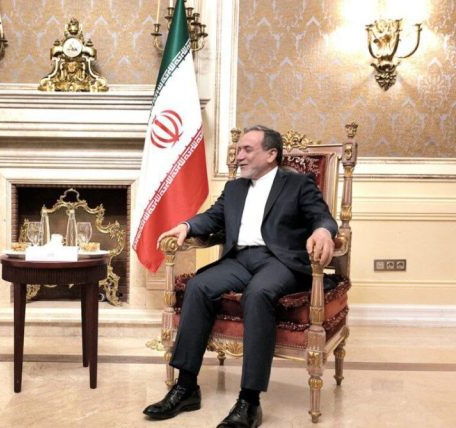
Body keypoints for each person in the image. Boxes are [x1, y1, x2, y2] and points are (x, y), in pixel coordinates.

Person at [142, 126, 337, 427]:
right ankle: (186, 387)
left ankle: (249, 401)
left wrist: (323, 231)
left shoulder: (298, 184)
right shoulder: (234, 188)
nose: (238, 156)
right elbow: (213, 217)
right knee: (198, 286)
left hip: (279, 261)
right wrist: (186, 226)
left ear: (271, 154)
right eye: (238, 149)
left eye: (247, 149)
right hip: (239, 259)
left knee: (258, 294)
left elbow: (321, 216)